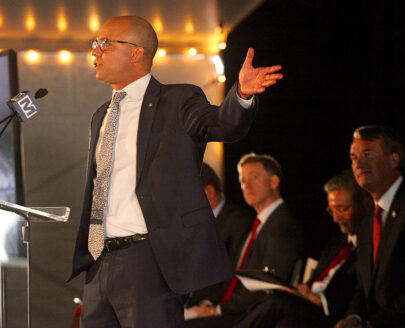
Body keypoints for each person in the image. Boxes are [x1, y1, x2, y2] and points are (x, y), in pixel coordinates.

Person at [67, 15, 283, 327]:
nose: (95, 52)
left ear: (136, 52)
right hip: (99, 261)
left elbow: (221, 123)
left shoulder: (177, 100)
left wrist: (242, 95)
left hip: (149, 259)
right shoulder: (101, 114)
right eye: (94, 45)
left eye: (105, 44)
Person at [234, 170, 372, 327]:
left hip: (330, 315)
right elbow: (315, 280)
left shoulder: (371, 247)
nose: (335, 218)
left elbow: (358, 294)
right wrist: (302, 290)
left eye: (342, 209)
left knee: (277, 302)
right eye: (331, 210)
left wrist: (321, 300)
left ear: (366, 206)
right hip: (305, 306)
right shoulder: (336, 244)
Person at [186, 153, 304, 327]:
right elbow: (235, 277)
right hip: (234, 310)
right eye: (242, 180)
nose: (246, 185)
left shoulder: (282, 225)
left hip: (250, 316)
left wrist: (218, 310)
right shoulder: (260, 224)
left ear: (274, 182)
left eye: (254, 177)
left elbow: (267, 285)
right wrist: (210, 304)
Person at [335, 126, 405, 328]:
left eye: (368, 154)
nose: (358, 163)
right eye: (354, 157)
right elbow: (363, 284)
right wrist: (353, 317)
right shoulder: (367, 222)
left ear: (394, 159)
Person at [185, 163, 254, 320]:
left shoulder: (238, 222)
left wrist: (208, 303)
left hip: (218, 311)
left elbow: (234, 274)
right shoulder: (194, 223)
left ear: (209, 192)